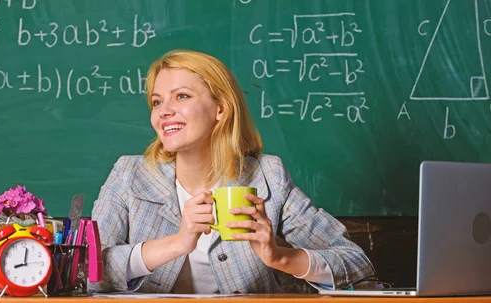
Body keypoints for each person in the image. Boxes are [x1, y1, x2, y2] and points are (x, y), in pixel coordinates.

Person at [91, 49, 376, 294]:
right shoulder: (129, 174)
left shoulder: (267, 175)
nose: (164, 111)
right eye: (157, 101)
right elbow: (88, 273)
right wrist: (177, 243)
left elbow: (358, 267)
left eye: (181, 96)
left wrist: (278, 257)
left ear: (221, 109)